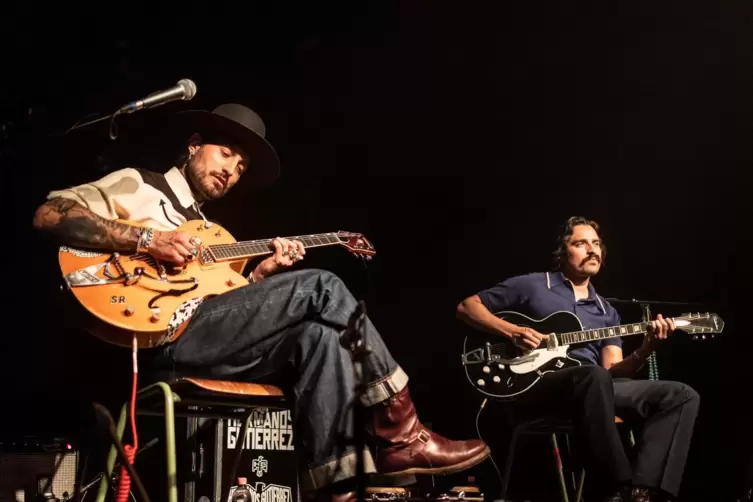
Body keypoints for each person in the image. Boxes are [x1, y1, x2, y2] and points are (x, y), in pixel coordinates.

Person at [32, 103, 490, 500]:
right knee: (321, 287)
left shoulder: (217, 235)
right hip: (158, 337)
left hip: (210, 342)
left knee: (320, 338)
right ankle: (401, 430)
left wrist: (262, 276)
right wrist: (148, 238)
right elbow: (51, 213)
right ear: (194, 145)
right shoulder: (141, 186)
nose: (231, 169)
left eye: (241, 166)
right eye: (225, 153)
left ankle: (337, 489)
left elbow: (230, 308)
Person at [456, 216, 700, 502]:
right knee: (591, 375)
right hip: (536, 386)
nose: (592, 250)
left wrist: (646, 347)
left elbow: (612, 371)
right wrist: (513, 332)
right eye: (581, 243)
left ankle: (644, 492)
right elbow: (467, 307)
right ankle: (614, 488)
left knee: (681, 395)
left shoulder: (606, 311)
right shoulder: (534, 285)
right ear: (563, 251)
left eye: (596, 244)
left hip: (592, 387)